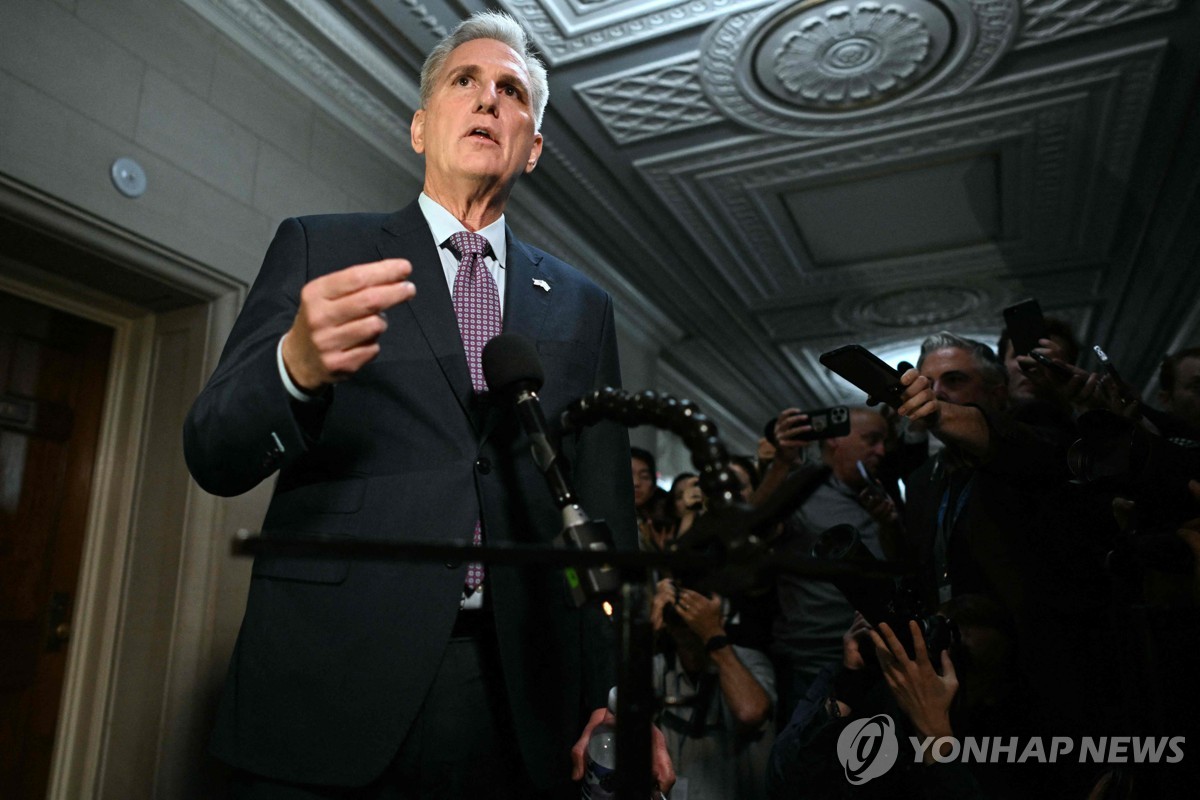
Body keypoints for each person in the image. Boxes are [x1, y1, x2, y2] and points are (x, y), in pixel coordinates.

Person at [184, 12, 671, 798]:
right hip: (328, 671)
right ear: (420, 127)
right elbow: (212, 451)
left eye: (511, 91)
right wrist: (293, 369)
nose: (488, 101)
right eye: (464, 82)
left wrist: (614, 694)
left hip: (513, 691)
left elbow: (603, 512)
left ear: (533, 147)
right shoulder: (320, 247)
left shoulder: (584, 306)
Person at [764, 406, 896, 729]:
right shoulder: (801, 489)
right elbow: (753, 529)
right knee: (810, 763)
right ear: (836, 440)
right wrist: (780, 464)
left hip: (875, 661)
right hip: (814, 666)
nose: (881, 450)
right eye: (871, 440)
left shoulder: (879, 493)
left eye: (884, 441)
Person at [650, 579, 775, 800]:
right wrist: (650, 626)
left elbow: (750, 712)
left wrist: (711, 632)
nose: (688, 616)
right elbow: (618, 708)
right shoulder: (660, 668)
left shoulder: (749, 662)